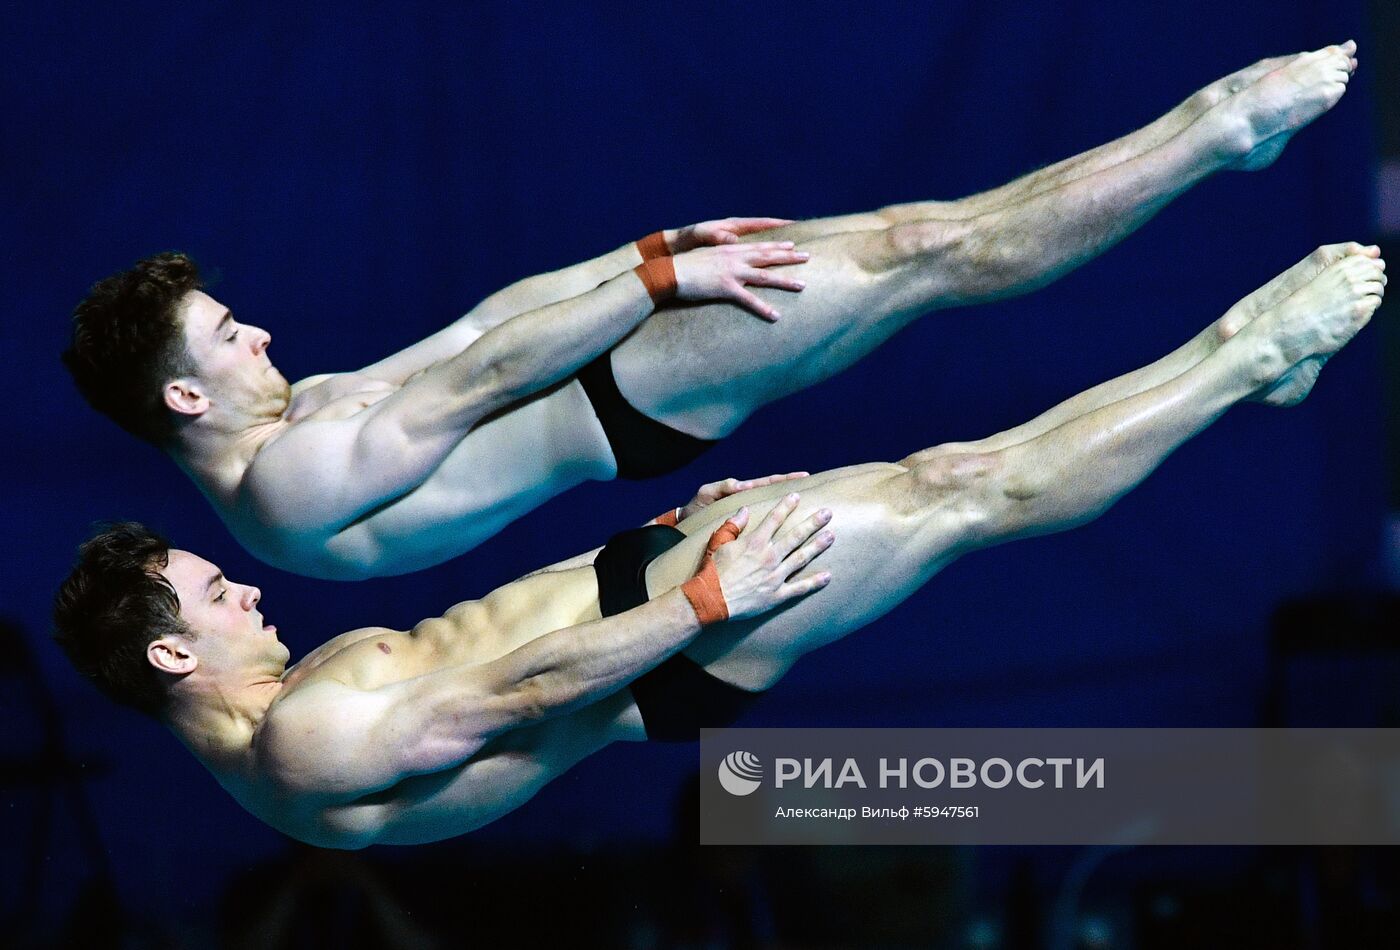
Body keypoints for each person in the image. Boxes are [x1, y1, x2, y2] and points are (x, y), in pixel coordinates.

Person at [52, 242, 1385, 846]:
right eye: (212, 592)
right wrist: (703, 591)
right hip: (674, 637)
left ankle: (1240, 372)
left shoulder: (278, 733)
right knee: (966, 490)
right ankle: (1246, 359)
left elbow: (501, 638)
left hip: (649, 601)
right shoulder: (299, 741)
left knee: (950, 481)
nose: (240, 582)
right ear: (174, 649)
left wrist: (653, 548)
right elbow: (519, 688)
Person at [61, 45, 1358, 582]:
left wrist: (646, 254)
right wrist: (651, 285)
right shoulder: (281, 490)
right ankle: (1211, 137)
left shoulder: (291, 422)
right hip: (635, 395)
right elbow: (470, 387)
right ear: (183, 398)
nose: (263, 337)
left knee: (923, 238)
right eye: (229, 340)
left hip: (613, 345)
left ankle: (1209, 172)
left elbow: (469, 333)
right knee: (938, 257)